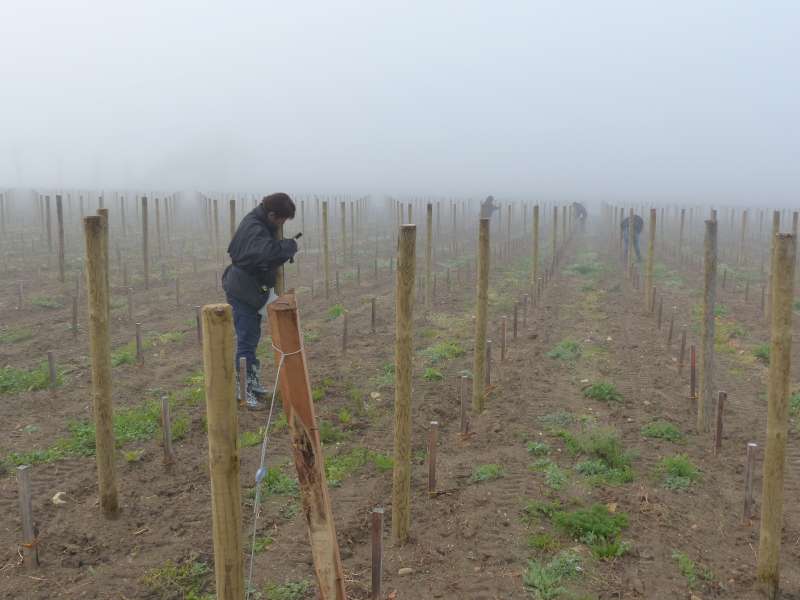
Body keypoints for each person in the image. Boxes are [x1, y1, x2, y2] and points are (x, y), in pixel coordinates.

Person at [222, 193, 298, 409]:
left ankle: (252, 383)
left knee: (252, 338)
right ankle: (243, 390)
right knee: (246, 340)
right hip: (243, 290)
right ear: (272, 214)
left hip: (251, 289)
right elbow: (266, 254)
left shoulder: (261, 222)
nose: (282, 224)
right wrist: (287, 247)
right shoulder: (254, 227)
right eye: (282, 220)